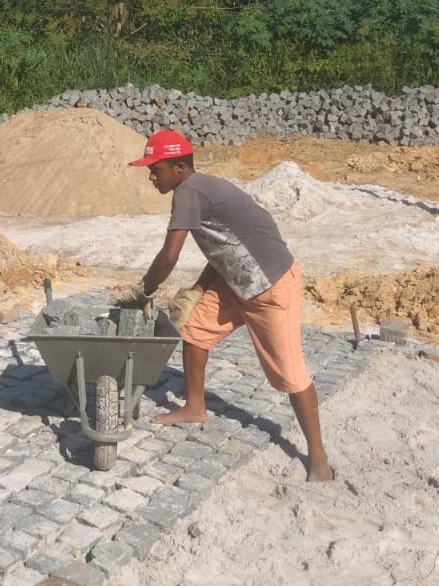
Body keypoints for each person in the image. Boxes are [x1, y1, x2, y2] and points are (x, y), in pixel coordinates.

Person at [116, 129, 333, 482]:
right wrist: (199, 289)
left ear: (180, 167)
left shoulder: (188, 193)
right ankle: (195, 406)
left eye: (157, 169)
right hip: (237, 281)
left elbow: (168, 258)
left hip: (270, 287)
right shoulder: (198, 188)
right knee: (195, 329)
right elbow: (223, 248)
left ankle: (319, 458)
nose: (152, 177)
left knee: (290, 374)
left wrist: (144, 291)